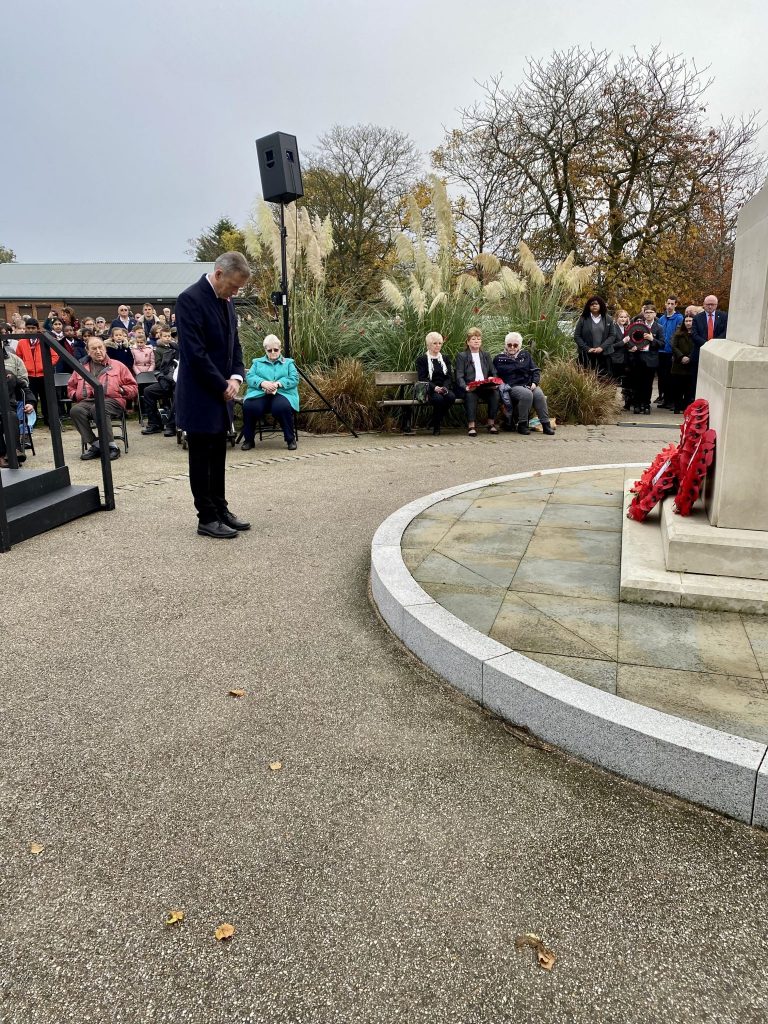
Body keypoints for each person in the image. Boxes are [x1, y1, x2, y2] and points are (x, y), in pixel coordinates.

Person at [174, 251, 251, 539]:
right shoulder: (189, 300)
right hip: (200, 394)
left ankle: (220, 508)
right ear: (219, 274)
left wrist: (236, 377)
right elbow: (195, 353)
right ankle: (205, 517)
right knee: (201, 457)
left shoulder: (227, 301)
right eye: (233, 286)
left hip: (222, 393)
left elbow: (234, 344)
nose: (235, 292)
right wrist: (222, 385)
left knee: (219, 455)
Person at [67, 334, 137, 461]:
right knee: (75, 410)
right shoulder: (81, 368)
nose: (98, 351)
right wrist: (75, 395)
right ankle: (96, 445)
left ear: (105, 348)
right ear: (88, 351)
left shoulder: (118, 365)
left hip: (113, 400)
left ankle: (112, 447)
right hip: (89, 400)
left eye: (100, 347)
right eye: (94, 349)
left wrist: (122, 390)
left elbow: (133, 387)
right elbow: (71, 386)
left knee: (99, 408)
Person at [241, 334, 299, 451]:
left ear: (280, 349)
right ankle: (248, 440)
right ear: (265, 350)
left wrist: (278, 383)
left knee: (282, 407)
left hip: (282, 393)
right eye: (269, 350)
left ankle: (290, 439)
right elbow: (250, 377)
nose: (273, 352)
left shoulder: (288, 363)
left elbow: (294, 378)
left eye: (276, 350)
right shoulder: (257, 363)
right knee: (249, 406)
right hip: (260, 393)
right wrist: (262, 383)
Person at [492, 332, 555, 435]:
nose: (512, 347)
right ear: (505, 345)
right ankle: (522, 424)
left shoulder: (525, 355)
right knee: (526, 394)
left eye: (515, 345)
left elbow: (535, 371)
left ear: (519, 346)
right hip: (511, 386)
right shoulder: (499, 358)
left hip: (528, 384)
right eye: (509, 345)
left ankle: (545, 424)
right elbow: (494, 374)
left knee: (539, 395)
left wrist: (534, 383)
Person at [454, 327, 500, 436]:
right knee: (470, 395)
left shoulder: (486, 355)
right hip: (471, 387)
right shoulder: (462, 356)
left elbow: (493, 371)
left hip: (485, 386)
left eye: (479, 339)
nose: (476, 341)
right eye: (474, 339)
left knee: (495, 394)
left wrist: (493, 380)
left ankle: (491, 424)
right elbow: (459, 376)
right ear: (468, 342)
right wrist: (465, 387)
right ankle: (471, 426)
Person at [14, 318, 60, 423]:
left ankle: (48, 419)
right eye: (28, 328)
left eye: (33, 328)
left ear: (37, 328)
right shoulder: (21, 342)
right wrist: (24, 368)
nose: (30, 330)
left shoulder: (44, 341)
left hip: (44, 375)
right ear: (25, 328)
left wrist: (45, 366)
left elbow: (55, 355)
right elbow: (18, 358)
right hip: (29, 375)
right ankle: (32, 421)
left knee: (46, 398)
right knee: (31, 399)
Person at [415, 331, 455, 435]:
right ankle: (436, 427)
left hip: (444, 387)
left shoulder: (445, 358)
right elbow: (422, 378)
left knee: (451, 397)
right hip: (430, 389)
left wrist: (445, 387)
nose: (438, 345)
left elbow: (449, 377)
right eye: (435, 343)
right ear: (428, 344)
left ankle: (433, 420)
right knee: (438, 399)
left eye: (440, 343)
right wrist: (435, 387)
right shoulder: (422, 359)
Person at [141, 334, 179, 437]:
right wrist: (162, 378)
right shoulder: (170, 353)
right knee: (148, 391)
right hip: (168, 382)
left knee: (177, 393)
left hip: (182, 384)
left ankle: (171, 425)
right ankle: (155, 424)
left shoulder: (189, 354)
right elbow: (162, 369)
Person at [626, 305, 663, 414]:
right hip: (638, 358)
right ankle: (637, 404)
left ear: (655, 314)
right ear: (644, 314)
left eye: (651, 312)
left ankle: (646, 404)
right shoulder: (638, 325)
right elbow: (630, 339)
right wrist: (631, 347)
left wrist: (652, 339)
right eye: (646, 312)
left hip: (651, 359)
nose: (648, 314)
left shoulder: (659, 327)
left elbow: (662, 344)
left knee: (648, 384)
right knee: (637, 383)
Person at [690, 295, 728, 389]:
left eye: (712, 304)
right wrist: (707, 345)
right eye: (708, 304)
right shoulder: (697, 318)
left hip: (718, 352)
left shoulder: (724, 316)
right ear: (704, 305)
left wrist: (714, 344)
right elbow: (694, 335)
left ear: (716, 305)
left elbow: (725, 332)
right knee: (696, 382)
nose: (710, 307)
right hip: (699, 353)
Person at [573, 296, 615, 374]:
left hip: (604, 354)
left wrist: (602, 347)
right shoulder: (583, 319)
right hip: (587, 355)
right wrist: (587, 348)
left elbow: (612, 335)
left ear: (601, 305)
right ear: (588, 306)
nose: (594, 305)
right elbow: (577, 336)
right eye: (592, 304)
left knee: (604, 378)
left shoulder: (608, 319)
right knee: (586, 376)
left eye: (596, 304)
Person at [656, 296, 683, 408]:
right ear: (665, 304)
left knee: (671, 377)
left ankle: (672, 401)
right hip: (661, 351)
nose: (670, 306)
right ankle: (665, 400)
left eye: (672, 304)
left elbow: (678, 335)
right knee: (663, 378)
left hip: (671, 352)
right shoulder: (662, 319)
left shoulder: (679, 318)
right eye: (668, 303)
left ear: (676, 305)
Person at [670, 312, 696, 413]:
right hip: (678, 365)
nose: (688, 323)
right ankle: (677, 406)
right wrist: (681, 357)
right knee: (677, 387)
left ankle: (686, 407)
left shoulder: (696, 334)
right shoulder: (678, 334)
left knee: (688, 388)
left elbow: (697, 347)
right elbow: (674, 346)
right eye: (686, 321)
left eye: (690, 321)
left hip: (690, 364)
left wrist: (689, 357)